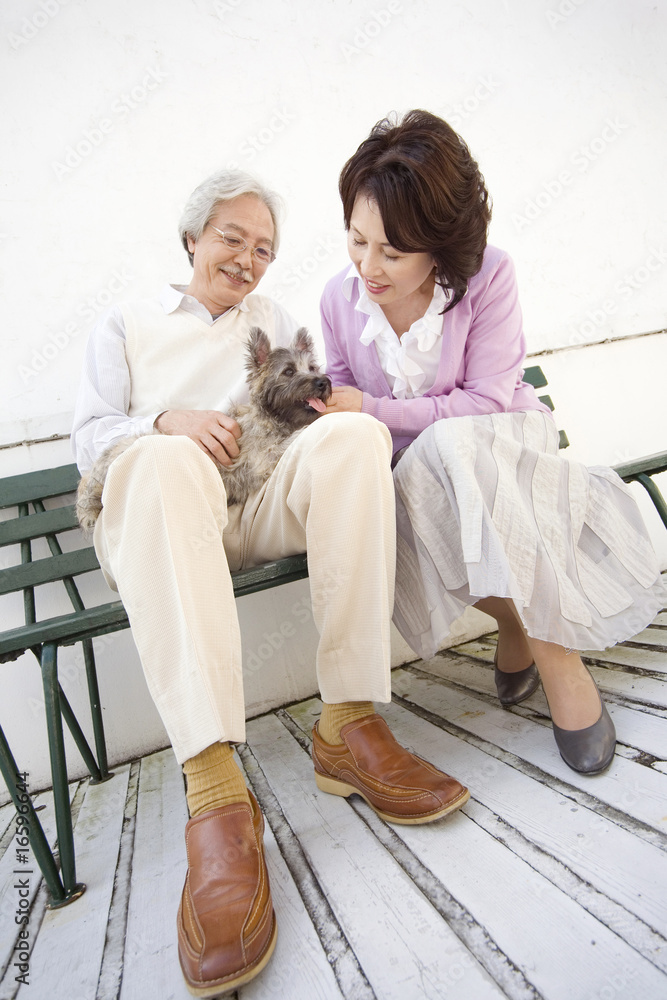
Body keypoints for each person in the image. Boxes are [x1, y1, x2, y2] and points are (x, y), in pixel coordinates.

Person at [71, 168, 470, 998]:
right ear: (192, 239)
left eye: (263, 249)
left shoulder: (276, 324)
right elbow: (89, 438)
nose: (247, 259)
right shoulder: (126, 322)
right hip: (164, 511)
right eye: (231, 238)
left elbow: (310, 409)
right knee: (165, 458)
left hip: (250, 501)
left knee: (353, 438)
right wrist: (164, 422)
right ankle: (216, 792)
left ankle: (349, 724)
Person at [320, 109, 666, 778]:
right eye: (355, 241)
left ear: (440, 246)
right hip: (416, 470)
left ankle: (558, 661)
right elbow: (342, 406)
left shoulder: (488, 276)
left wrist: (374, 407)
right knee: (427, 473)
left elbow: (484, 401)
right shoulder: (339, 300)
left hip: (504, 445)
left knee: (456, 448)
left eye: (391, 252)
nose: (368, 266)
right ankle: (516, 623)